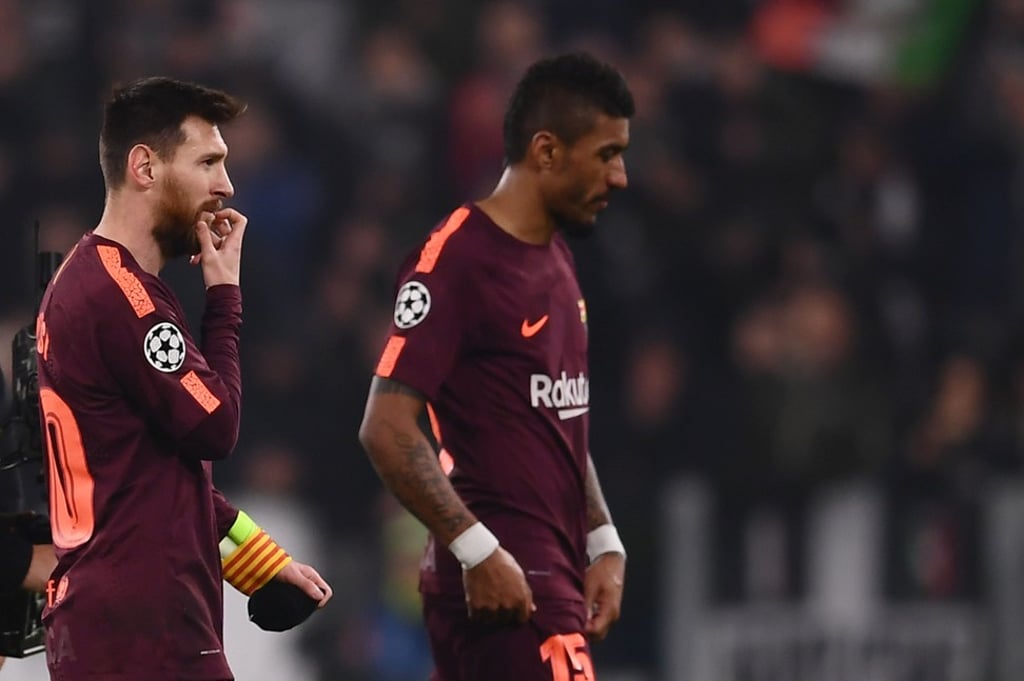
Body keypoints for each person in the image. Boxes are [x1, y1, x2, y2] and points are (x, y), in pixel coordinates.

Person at [35, 77, 332, 681]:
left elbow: (161, 471)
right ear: (144, 166)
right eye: (208, 161)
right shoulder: (122, 296)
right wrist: (225, 298)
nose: (225, 185)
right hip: (146, 635)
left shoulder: (90, 281)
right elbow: (215, 426)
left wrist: (263, 565)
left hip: (113, 628)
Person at [359, 52, 633, 680]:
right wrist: (479, 551)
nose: (619, 177)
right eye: (606, 154)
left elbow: (557, 417)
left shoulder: (557, 258)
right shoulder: (457, 258)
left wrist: (602, 540)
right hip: (508, 590)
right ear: (546, 151)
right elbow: (386, 426)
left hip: (547, 578)